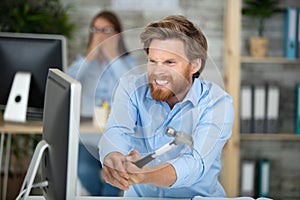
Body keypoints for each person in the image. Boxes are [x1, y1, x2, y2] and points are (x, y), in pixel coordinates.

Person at [98, 15, 234, 198]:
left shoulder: (217, 103)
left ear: (194, 65)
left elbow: (195, 163)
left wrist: (144, 175)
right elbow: (116, 131)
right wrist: (113, 158)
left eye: (170, 62)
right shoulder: (131, 88)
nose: (158, 72)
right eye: (153, 61)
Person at [67, 10, 136, 196]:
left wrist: (113, 57)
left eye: (106, 29)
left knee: (115, 176)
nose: (101, 35)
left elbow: (131, 86)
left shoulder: (128, 62)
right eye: (96, 29)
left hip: (116, 138)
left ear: (117, 33)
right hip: (88, 137)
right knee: (84, 171)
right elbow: (67, 83)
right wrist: (90, 56)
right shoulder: (84, 62)